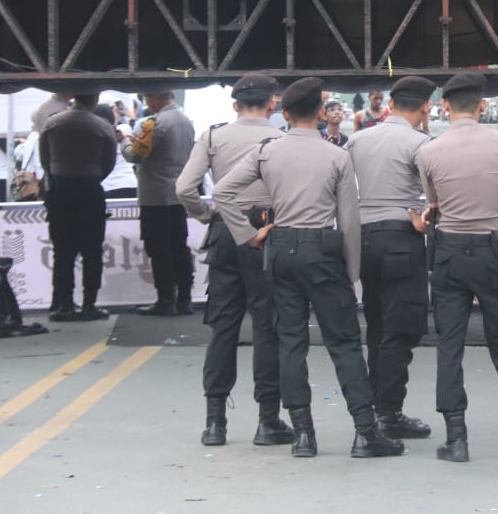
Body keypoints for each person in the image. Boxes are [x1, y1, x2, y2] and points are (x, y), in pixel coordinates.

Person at [213, 77, 401, 460]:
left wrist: (247, 234)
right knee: (344, 343)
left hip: (280, 248)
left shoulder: (267, 152)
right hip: (322, 251)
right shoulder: (336, 156)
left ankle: (302, 434)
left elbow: (221, 192)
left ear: (283, 113)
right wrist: (353, 274)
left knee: (290, 341)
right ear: (320, 112)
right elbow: (349, 221)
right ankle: (365, 432)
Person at [411, 70, 498, 462]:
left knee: (449, 345)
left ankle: (457, 439)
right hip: (496, 249)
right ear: (482, 105)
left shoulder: (429, 151)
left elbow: (433, 202)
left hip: (450, 249)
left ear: (445, 106)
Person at [174, 74, 293, 450]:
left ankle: (215, 423)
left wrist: (207, 214)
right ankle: (268, 420)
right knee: (268, 326)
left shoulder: (213, 137)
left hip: (225, 231)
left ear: (235, 105)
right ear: (272, 103)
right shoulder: (283, 139)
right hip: (267, 232)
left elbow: (184, 187)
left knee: (223, 327)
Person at [345, 76, 437, 441]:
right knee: (402, 328)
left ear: (391, 104)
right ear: (426, 107)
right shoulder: (421, 143)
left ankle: (374, 407)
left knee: (377, 325)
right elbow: (434, 198)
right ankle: (388, 413)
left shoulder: (358, 139)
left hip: (364, 236)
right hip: (402, 235)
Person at [39, 95, 117, 322]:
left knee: (63, 252)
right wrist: (93, 176)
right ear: (95, 100)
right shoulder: (102, 126)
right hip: (90, 189)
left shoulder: (52, 123)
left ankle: (64, 304)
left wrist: (58, 172)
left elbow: (45, 159)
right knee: (92, 251)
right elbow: (109, 162)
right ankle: (89, 304)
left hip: (60, 189)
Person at [122, 91, 196, 316]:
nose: (147, 102)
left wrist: (124, 142)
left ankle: (165, 299)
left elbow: (136, 155)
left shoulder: (155, 123)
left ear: (156, 97)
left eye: (147, 97)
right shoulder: (186, 121)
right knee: (179, 247)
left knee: (158, 248)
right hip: (178, 193)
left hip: (155, 195)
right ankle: (185, 298)